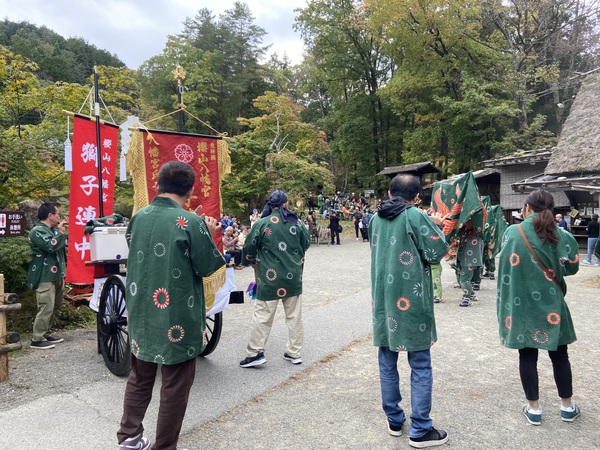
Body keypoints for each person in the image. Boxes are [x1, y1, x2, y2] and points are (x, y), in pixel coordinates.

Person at [117, 161, 225, 450]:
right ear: (190, 190)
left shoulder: (138, 217)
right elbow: (206, 267)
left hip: (142, 311)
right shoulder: (191, 221)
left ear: (157, 184)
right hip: (177, 313)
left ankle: (129, 437)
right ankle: (164, 446)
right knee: (175, 384)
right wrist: (209, 232)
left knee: (140, 376)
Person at [369, 174, 450, 448]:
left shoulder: (374, 219)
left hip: (383, 299)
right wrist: (437, 224)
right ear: (417, 197)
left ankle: (394, 420)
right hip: (412, 299)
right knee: (420, 363)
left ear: (390, 192)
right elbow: (438, 251)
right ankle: (420, 429)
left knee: (386, 359)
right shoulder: (416, 216)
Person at [497, 189, 580, 426]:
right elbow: (572, 268)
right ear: (551, 209)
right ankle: (567, 407)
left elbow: (504, 264)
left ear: (526, 208)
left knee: (527, 355)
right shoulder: (562, 234)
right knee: (560, 356)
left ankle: (533, 409)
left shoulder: (513, 232)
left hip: (522, 305)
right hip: (553, 304)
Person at [239, 190, 311, 368]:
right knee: (294, 316)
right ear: (285, 204)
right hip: (293, 276)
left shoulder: (262, 223)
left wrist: (249, 260)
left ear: (270, 205)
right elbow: (306, 243)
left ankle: (255, 352)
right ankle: (294, 352)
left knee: (263, 315)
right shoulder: (298, 223)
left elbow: (249, 247)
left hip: (269, 277)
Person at [27, 202, 68, 350]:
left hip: (57, 274)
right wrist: (61, 232)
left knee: (55, 305)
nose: (59, 216)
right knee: (46, 306)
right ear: (50, 215)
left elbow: (64, 242)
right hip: (43, 274)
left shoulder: (52, 230)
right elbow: (51, 245)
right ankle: (37, 338)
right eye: (57, 214)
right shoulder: (37, 231)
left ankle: (46, 332)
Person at [456, 219, 483, 307]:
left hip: (471, 259)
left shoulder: (477, 231)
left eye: (468, 221)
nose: (466, 223)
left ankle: (467, 297)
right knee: (462, 278)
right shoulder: (463, 231)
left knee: (464, 279)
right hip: (462, 258)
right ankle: (471, 294)